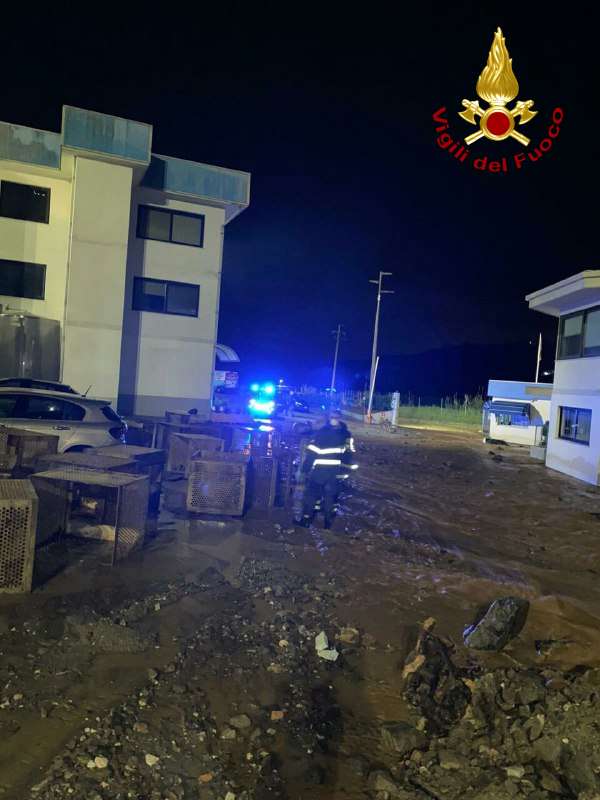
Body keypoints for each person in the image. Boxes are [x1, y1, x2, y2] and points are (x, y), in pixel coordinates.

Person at [296, 410, 358, 529]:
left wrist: (304, 470)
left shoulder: (321, 433)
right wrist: (345, 471)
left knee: (311, 495)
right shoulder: (346, 434)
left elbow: (312, 453)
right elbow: (349, 453)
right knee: (331, 497)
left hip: (319, 470)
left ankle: (306, 520)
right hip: (335, 471)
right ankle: (328, 523)